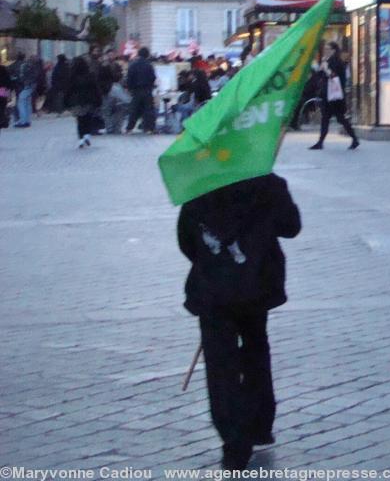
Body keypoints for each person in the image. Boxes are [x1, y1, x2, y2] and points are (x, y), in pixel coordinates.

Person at [177, 174, 301, 471]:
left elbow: (186, 241)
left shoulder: (198, 186)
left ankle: (234, 440)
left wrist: (213, 264)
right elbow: (291, 227)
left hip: (214, 291)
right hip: (256, 284)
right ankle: (260, 421)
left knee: (221, 366)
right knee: (256, 348)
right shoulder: (267, 183)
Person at [309, 42, 359, 150]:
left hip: (334, 97)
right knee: (327, 119)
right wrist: (321, 69)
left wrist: (326, 69)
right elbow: (320, 77)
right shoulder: (327, 61)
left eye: (328, 49)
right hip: (328, 96)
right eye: (325, 48)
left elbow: (335, 77)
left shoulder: (337, 62)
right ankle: (320, 142)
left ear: (333, 50)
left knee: (339, 118)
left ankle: (354, 139)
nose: (326, 51)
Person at [64, 56, 102, 148]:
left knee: (80, 120)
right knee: (87, 119)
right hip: (89, 100)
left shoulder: (72, 76)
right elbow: (96, 89)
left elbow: (68, 90)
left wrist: (66, 101)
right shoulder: (90, 75)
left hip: (77, 101)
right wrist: (98, 100)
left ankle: (81, 139)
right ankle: (87, 135)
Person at [125, 47, 157, 133]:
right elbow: (153, 77)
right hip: (147, 89)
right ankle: (149, 128)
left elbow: (129, 78)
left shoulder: (133, 65)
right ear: (147, 55)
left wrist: (130, 88)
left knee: (134, 109)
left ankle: (129, 128)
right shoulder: (149, 65)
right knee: (148, 109)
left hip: (136, 90)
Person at [11, 52, 39, 128]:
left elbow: (21, 76)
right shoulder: (33, 66)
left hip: (26, 86)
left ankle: (23, 121)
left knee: (21, 102)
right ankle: (27, 120)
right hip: (32, 86)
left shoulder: (24, 65)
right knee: (27, 103)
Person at [0, 62, 12, 133]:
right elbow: (8, 80)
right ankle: (4, 121)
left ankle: (3, 121)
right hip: (3, 89)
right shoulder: (3, 69)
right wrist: (9, 89)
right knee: (3, 105)